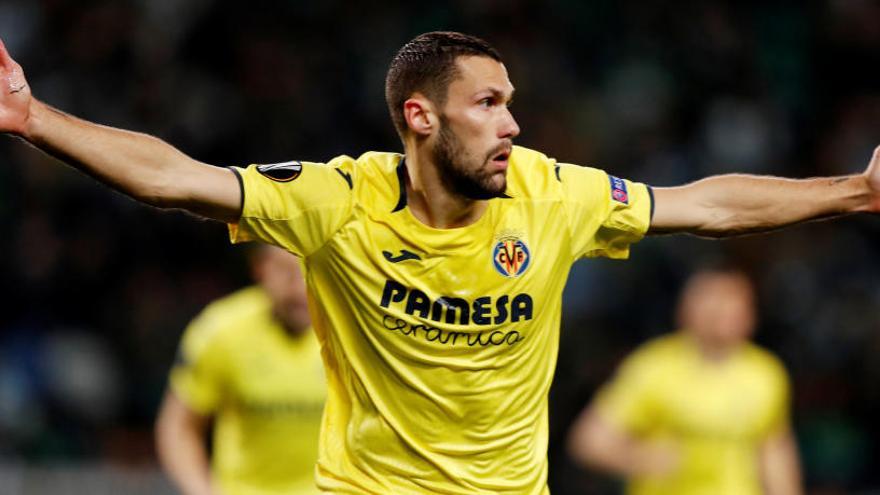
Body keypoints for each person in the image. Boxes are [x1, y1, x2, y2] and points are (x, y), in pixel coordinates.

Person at [0, 31, 876, 494]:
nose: (513, 125)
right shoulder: (335, 200)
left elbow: (708, 204)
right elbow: (175, 178)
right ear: (420, 117)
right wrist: (36, 118)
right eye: (488, 104)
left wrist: (853, 192)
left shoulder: (554, 193)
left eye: (513, 104)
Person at [567, 267, 802, 495]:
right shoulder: (654, 367)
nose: (725, 312)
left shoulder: (765, 373)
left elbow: (774, 451)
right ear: (687, 310)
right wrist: (641, 458)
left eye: (735, 303)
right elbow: (590, 442)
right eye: (714, 304)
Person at [155, 245, 326, 495]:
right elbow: (178, 428)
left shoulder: (354, 332)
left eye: (311, 271)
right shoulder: (221, 331)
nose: (299, 287)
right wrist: (201, 490)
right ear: (260, 269)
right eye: (287, 272)